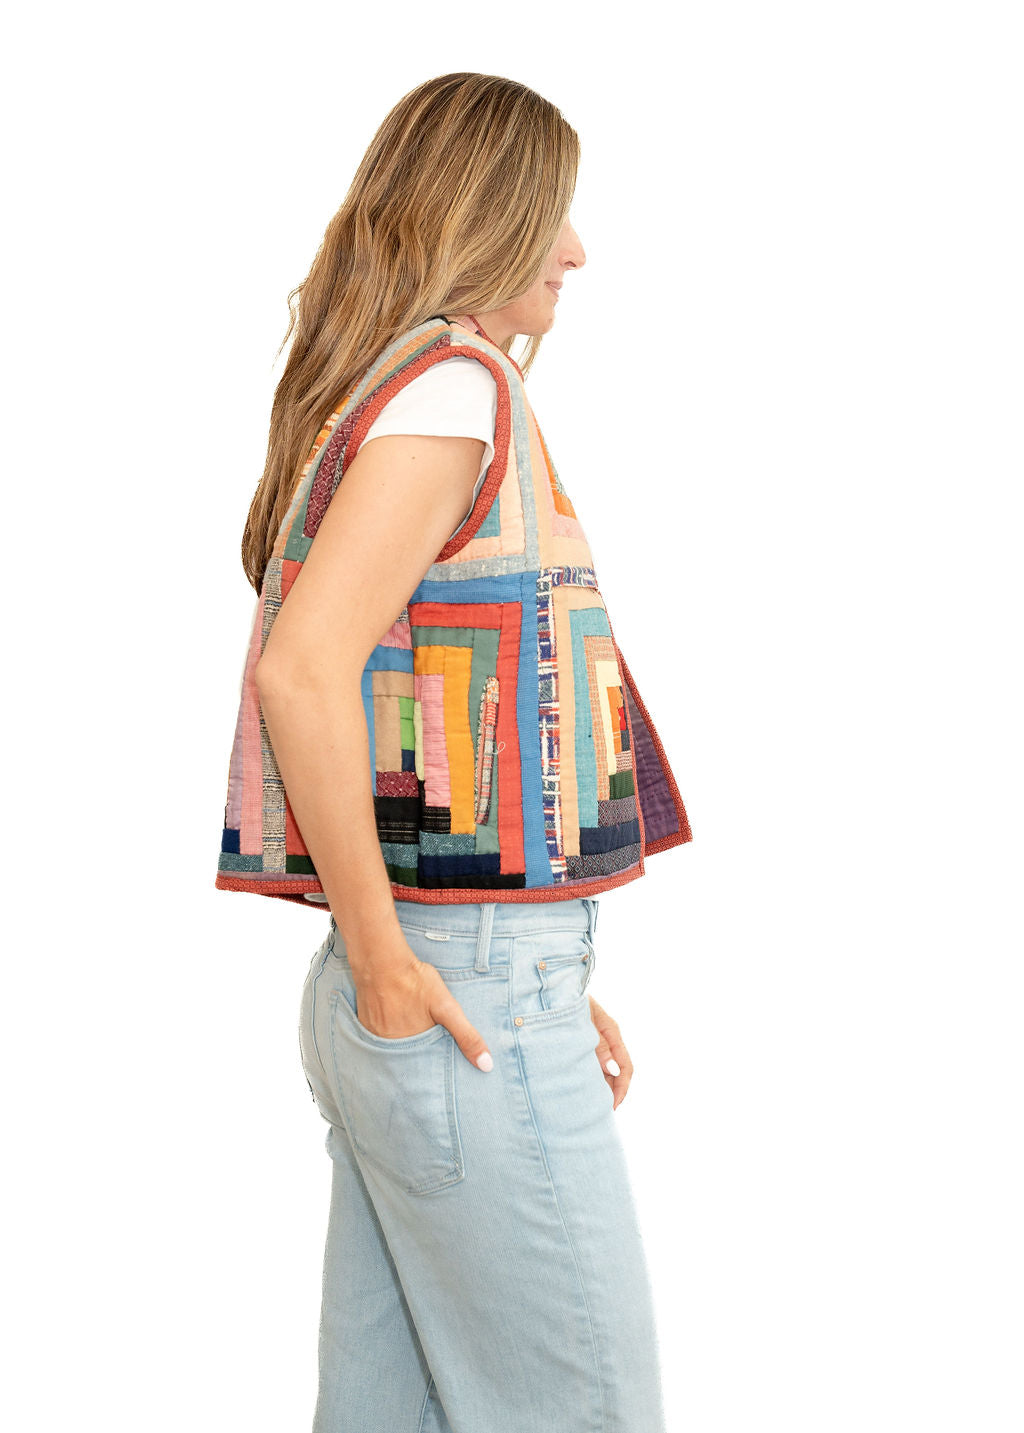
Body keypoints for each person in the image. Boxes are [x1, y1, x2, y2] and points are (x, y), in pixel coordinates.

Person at [215, 71, 693, 1433]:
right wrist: (419, 963)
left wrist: (519, 964)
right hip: (453, 991)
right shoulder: (455, 388)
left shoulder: (399, 387)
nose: (576, 250)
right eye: (554, 214)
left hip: (447, 980)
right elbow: (306, 672)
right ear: (489, 216)